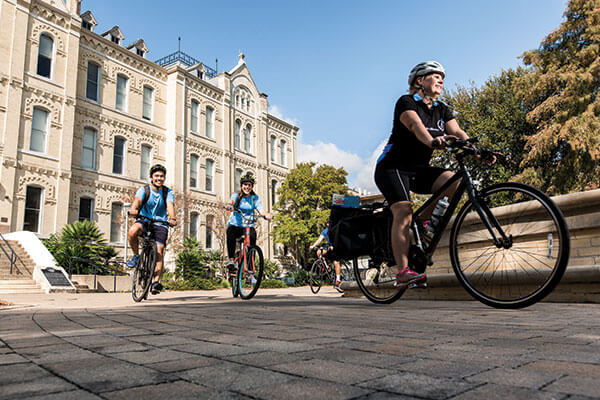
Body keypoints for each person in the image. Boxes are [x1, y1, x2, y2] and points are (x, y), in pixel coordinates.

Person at [374, 60, 472, 289]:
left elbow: (456, 131)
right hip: (392, 167)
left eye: (443, 78)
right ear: (420, 80)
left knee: (452, 181)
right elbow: (415, 125)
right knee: (403, 211)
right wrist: (431, 140)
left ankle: (424, 221)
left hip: (418, 170)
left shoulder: (441, 108)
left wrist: (476, 151)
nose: (441, 80)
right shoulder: (406, 102)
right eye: (436, 76)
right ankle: (403, 271)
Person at [127, 164, 176, 295]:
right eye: (157, 176)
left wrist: (172, 217)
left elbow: (170, 205)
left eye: (162, 176)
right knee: (133, 231)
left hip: (161, 223)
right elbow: (137, 200)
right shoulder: (144, 190)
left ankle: (155, 282)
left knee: (159, 250)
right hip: (144, 220)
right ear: (151, 178)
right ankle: (136, 256)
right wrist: (134, 209)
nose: (159, 178)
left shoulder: (167, 192)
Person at [225, 173, 272, 275]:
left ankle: (250, 271)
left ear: (252, 186)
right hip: (236, 225)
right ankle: (231, 260)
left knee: (252, 238)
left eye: (249, 185)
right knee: (230, 232)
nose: (247, 187)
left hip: (248, 225)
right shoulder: (237, 195)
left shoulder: (254, 198)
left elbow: (260, 209)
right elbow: (232, 200)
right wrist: (229, 205)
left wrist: (266, 214)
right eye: (245, 184)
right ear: (242, 186)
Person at [309, 222, 343, 291]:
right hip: (329, 246)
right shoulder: (325, 231)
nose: (329, 224)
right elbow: (319, 240)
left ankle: (338, 280)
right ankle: (326, 266)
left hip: (337, 246)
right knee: (319, 252)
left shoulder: (336, 229)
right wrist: (313, 246)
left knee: (336, 262)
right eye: (328, 223)